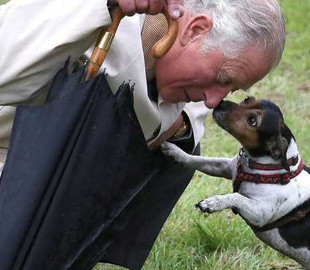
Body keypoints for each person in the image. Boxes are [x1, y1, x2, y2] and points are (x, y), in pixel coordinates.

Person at [0, 0, 285, 269]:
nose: (213, 101)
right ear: (195, 29)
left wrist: (182, 121)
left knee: (182, 152)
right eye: (222, 79)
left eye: (229, 90)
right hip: (9, 164)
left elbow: (194, 111)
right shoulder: (84, 10)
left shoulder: (182, 66)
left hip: (47, 183)